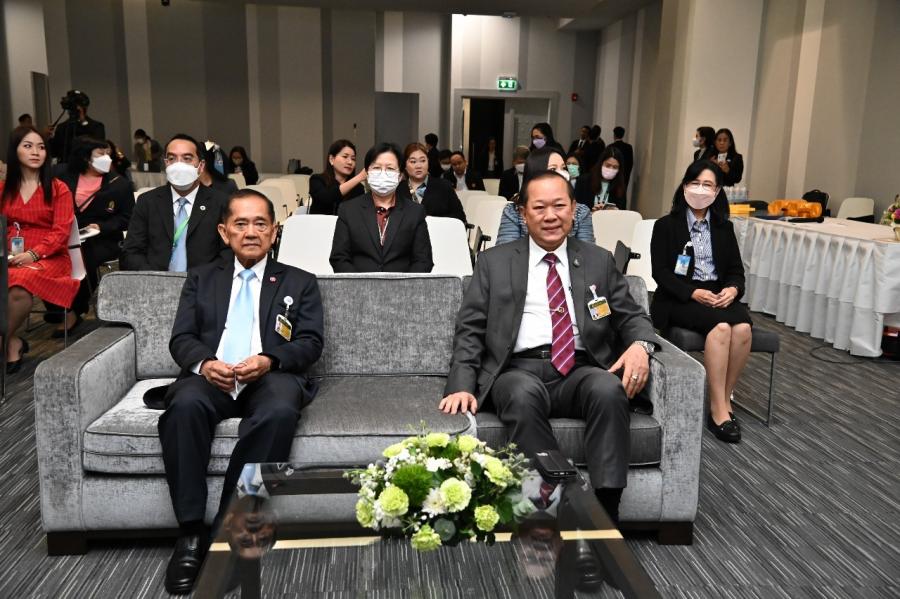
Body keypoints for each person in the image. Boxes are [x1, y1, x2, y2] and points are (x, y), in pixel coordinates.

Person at [439, 169, 658, 523]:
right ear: (523, 214)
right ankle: (559, 499)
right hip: (518, 369)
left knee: (608, 389)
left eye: (559, 205)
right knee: (520, 394)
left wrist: (640, 345)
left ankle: (606, 513)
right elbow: (470, 329)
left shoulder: (598, 260)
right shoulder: (495, 262)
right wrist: (461, 385)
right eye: (539, 207)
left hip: (581, 368)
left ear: (574, 209)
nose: (550, 216)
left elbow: (631, 316)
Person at [152, 189, 324, 594]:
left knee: (280, 410)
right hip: (213, 376)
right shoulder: (201, 277)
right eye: (241, 224)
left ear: (274, 231)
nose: (251, 232)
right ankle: (190, 534)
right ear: (223, 231)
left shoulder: (299, 281)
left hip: (268, 376)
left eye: (260, 224)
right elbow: (182, 338)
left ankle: (227, 532)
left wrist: (269, 359)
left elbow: (311, 342)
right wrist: (205, 364)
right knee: (185, 405)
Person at [649, 160, 751, 443]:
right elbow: (660, 273)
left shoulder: (723, 228)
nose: (701, 189)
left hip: (717, 294)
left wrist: (732, 290)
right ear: (684, 186)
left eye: (708, 185)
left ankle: (724, 400)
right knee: (721, 329)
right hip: (680, 296)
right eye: (695, 183)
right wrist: (692, 293)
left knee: (743, 329)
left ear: (717, 192)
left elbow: (736, 271)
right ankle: (718, 411)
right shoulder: (665, 225)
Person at [1, 126, 79, 373]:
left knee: (20, 283)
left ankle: (3, 342)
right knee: (12, 275)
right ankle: (11, 342)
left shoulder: (58, 188)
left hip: (50, 256)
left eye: (41, 147)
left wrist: (32, 254)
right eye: (28, 146)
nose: (36, 152)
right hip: (10, 255)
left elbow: (61, 232)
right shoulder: (3, 189)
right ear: (15, 151)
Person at [46, 137, 133, 336]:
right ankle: (58, 307)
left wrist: (101, 226)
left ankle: (74, 309)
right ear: (86, 157)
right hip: (66, 234)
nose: (107, 158)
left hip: (103, 239)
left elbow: (128, 218)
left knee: (83, 257)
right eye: (101, 154)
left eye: (108, 153)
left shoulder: (119, 184)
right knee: (47, 258)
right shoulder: (62, 176)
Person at [121, 134, 228, 271]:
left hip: (204, 280)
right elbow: (132, 251)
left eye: (187, 158)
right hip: (155, 279)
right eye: (172, 158)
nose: (179, 165)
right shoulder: (147, 202)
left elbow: (227, 252)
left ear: (201, 166)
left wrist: (204, 278)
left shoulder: (221, 202)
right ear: (166, 164)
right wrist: (153, 278)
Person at [329, 142, 433, 273]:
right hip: (358, 284)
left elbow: (423, 260)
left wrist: (405, 284)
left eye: (390, 169)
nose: (383, 173)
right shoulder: (348, 210)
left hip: (403, 284)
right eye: (377, 168)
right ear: (367, 173)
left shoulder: (415, 212)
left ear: (400, 176)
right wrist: (360, 283)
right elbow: (339, 258)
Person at [496, 147, 594, 245]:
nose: (562, 173)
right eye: (553, 169)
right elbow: (505, 251)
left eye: (563, 168)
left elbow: (587, 252)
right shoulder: (513, 211)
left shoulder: (581, 212)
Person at [397, 142, 466, 222]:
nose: (418, 166)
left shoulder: (444, 186)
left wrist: (433, 221)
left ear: (428, 162)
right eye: (413, 162)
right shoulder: (398, 190)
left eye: (423, 161)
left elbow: (460, 217)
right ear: (405, 165)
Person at [308, 139, 367, 215]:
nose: (350, 162)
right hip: (320, 222)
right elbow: (327, 198)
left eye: (353, 159)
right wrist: (359, 178)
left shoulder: (358, 188)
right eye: (345, 156)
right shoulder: (317, 180)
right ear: (331, 159)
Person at [49, 91, 106, 163]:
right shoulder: (62, 128)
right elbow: (54, 152)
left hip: (87, 166)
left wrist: (83, 122)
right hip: (65, 167)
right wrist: (48, 137)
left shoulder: (96, 127)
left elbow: (99, 149)